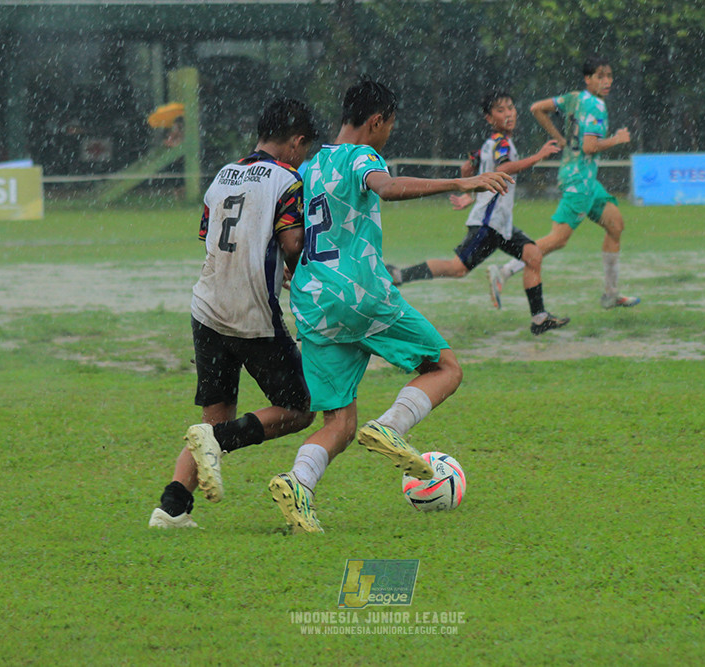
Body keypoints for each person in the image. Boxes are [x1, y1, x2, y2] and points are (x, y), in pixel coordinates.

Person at [270, 77, 513, 533]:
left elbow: (292, 238)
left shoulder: (310, 166)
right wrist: (462, 181)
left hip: (314, 302)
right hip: (362, 293)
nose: (388, 135)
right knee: (445, 368)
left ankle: (297, 482)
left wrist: (288, 268)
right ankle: (392, 426)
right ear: (377, 121)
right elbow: (386, 186)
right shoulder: (361, 156)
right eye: (390, 126)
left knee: (339, 422)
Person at [149, 97, 320, 529]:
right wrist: (300, 271)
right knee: (299, 407)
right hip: (251, 314)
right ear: (296, 142)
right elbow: (293, 244)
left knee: (216, 413)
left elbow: (213, 236)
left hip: (207, 308)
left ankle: (171, 509)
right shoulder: (288, 179)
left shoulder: (223, 175)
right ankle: (215, 440)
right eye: (304, 149)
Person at [386, 90, 569, 335]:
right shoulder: (501, 143)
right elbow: (505, 168)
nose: (509, 114)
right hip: (488, 223)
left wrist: (470, 195)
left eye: (511, 108)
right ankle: (398, 275)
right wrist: (538, 156)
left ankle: (540, 318)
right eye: (500, 110)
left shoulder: (490, 144)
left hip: (500, 224)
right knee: (457, 268)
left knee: (533, 255)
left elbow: (467, 166)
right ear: (489, 118)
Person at [491, 56, 640, 310]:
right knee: (557, 239)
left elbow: (536, 108)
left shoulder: (574, 98)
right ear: (588, 79)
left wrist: (560, 138)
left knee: (615, 224)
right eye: (600, 76)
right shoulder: (595, 105)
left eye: (609, 76)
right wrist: (616, 140)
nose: (606, 81)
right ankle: (504, 271)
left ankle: (611, 294)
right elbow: (590, 146)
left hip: (585, 180)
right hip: (579, 181)